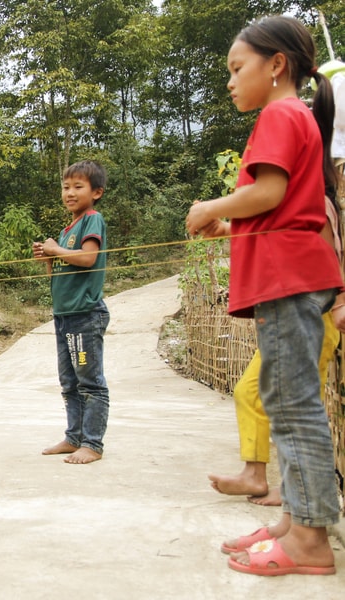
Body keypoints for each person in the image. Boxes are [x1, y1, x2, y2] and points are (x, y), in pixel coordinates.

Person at [186, 16, 343, 576]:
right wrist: (230, 226)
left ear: (276, 65)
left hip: (287, 279)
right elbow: (286, 209)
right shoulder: (297, 116)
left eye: (237, 68)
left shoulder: (280, 113)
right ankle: (294, 521)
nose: (230, 81)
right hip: (296, 273)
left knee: (293, 406)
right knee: (285, 401)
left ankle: (310, 540)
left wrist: (210, 207)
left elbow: (269, 191)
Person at [206, 195, 344, 507]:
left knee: (297, 408)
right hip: (289, 317)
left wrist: (339, 303)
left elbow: (329, 259)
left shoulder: (314, 203)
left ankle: (294, 490)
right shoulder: (295, 203)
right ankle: (256, 474)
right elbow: (271, 238)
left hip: (312, 317)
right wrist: (226, 229)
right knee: (251, 392)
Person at [34, 160, 111, 465]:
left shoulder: (93, 219)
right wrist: (48, 257)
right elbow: (60, 270)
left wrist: (56, 250)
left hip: (85, 313)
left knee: (89, 381)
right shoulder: (67, 229)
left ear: (96, 192)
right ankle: (74, 437)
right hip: (65, 315)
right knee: (69, 382)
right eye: (66, 187)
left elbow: (89, 258)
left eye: (78, 186)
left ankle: (92, 443)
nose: (69, 192)